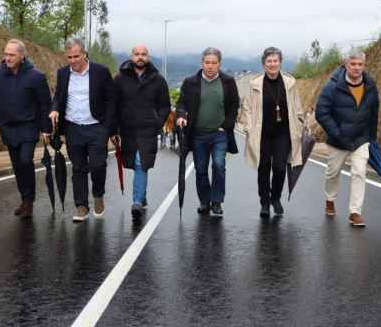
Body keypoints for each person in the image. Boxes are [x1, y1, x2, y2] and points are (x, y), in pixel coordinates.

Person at [49, 38, 116, 223]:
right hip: (73, 127)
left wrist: (107, 128)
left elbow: (111, 100)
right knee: (78, 168)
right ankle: (81, 206)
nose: (72, 60)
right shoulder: (63, 73)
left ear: (85, 54)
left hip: (96, 127)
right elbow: (59, 96)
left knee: (97, 164)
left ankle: (98, 195)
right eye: (69, 57)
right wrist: (54, 109)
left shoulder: (100, 72)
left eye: (76, 56)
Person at [315, 48, 380, 227]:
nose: (357, 68)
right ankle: (330, 199)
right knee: (332, 172)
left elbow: (374, 113)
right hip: (338, 140)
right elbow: (321, 113)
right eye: (353, 64)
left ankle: (355, 212)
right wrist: (336, 133)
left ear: (364, 65)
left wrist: (371, 137)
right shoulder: (332, 86)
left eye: (360, 64)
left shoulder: (371, 86)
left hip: (361, 139)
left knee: (359, 172)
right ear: (346, 64)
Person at [0, 39, 52, 218]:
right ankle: (24, 199)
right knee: (17, 165)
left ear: (22, 56)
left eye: (11, 55)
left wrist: (46, 129)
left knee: (25, 160)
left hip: (28, 127)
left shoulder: (36, 76)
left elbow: (44, 104)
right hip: (7, 127)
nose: (7, 58)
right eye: (5, 54)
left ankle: (29, 200)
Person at [238, 47, 304, 218]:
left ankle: (276, 198)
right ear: (264, 64)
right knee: (264, 168)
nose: (272, 64)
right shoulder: (255, 83)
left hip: (283, 133)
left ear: (280, 62)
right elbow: (247, 108)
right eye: (269, 61)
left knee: (280, 168)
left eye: (275, 61)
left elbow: (297, 106)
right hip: (262, 134)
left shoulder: (290, 82)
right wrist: (248, 126)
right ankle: (265, 203)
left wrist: (300, 123)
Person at [176, 47, 240, 216]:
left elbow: (234, 106)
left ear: (219, 64)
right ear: (202, 63)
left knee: (219, 166)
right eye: (207, 62)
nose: (210, 66)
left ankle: (217, 202)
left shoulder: (228, 82)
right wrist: (181, 115)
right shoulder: (190, 82)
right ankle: (205, 201)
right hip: (198, 134)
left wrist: (226, 125)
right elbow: (181, 103)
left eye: (214, 63)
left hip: (220, 134)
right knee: (201, 170)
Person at [113, 44, 171, 219]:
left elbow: (165, 106)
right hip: (127, 129)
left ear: (148, 57)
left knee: (141, 162)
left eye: (143, 54)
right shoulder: (119, 79)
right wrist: (114, 129)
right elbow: (113, 106)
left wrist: (157, 122)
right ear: (131, 57)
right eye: (137, 54)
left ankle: (137, 201)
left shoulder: (158, 80)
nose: (140, 57)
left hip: (148, 129)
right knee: (134, 163)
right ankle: (142, 195)